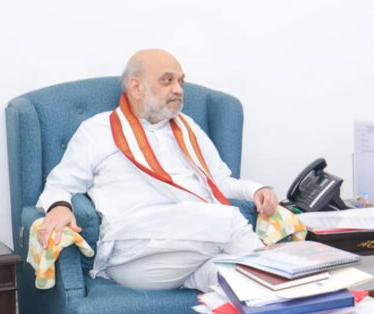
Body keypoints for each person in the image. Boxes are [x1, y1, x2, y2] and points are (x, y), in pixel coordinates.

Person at [36, 49, 278, 292]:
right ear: (136, 87)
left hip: (192, 249)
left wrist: (256, 190)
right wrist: (60, 207)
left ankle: (281, 302)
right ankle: (281, 275)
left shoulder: (188, 128)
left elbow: (219, 182)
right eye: (167, 80)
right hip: (135, 250)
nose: (178, 89)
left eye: (181, 82)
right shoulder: (98, 130)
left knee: (237, 280)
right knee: (230, 221)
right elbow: (60, 184)